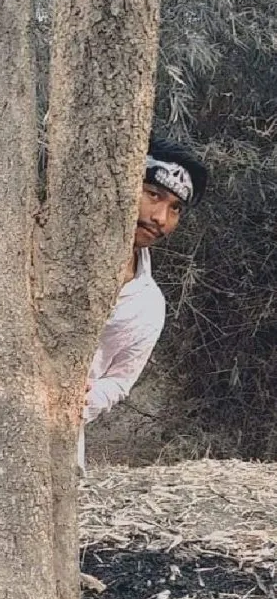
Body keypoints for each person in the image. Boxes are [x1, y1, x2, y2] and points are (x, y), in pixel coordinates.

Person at [78, 134, 208, 472]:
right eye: (153, 195)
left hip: (61, 445)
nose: (161, 218)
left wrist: (80, 403)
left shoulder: (148, 306)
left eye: (175, 208)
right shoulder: (48, 250)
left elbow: (120, 380)